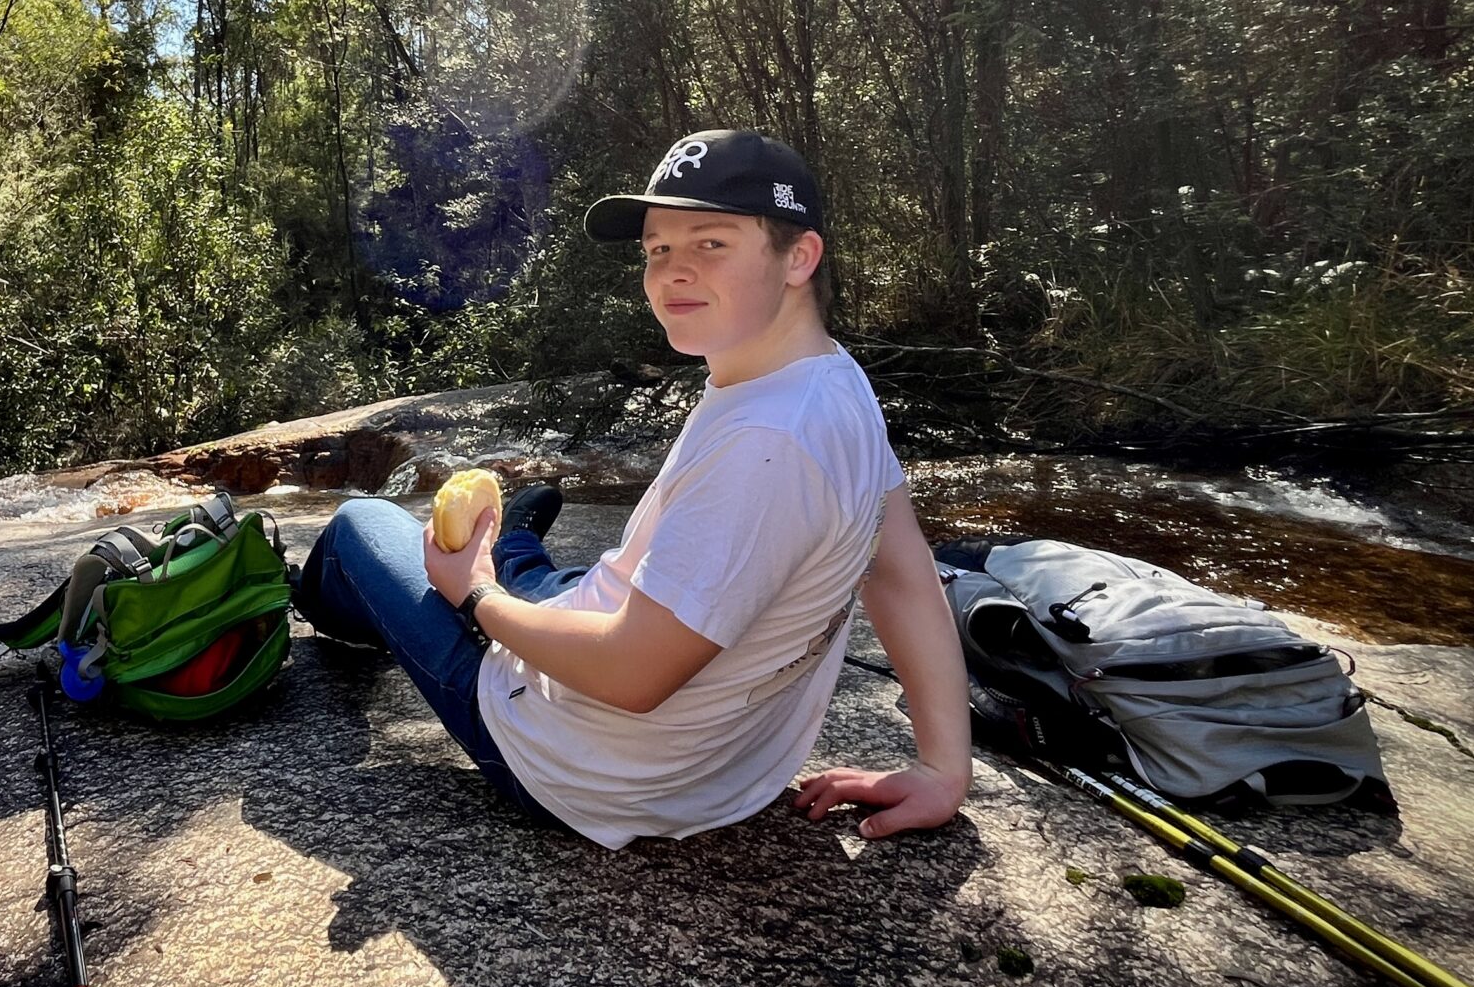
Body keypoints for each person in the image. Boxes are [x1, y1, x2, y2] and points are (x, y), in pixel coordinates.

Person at [293, 129, 971, 850]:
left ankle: (322, 602)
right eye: (657, 249)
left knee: (359, 526)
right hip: (715, 775)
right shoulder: (831, 379)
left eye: (710, 244)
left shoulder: (766, 445)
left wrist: (475, 597)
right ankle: (519, 547)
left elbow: (630, 673)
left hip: (573, 767)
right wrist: (943, 768)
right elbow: (899, 570)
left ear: (798, 257)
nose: (672, 271)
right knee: (593, 576)